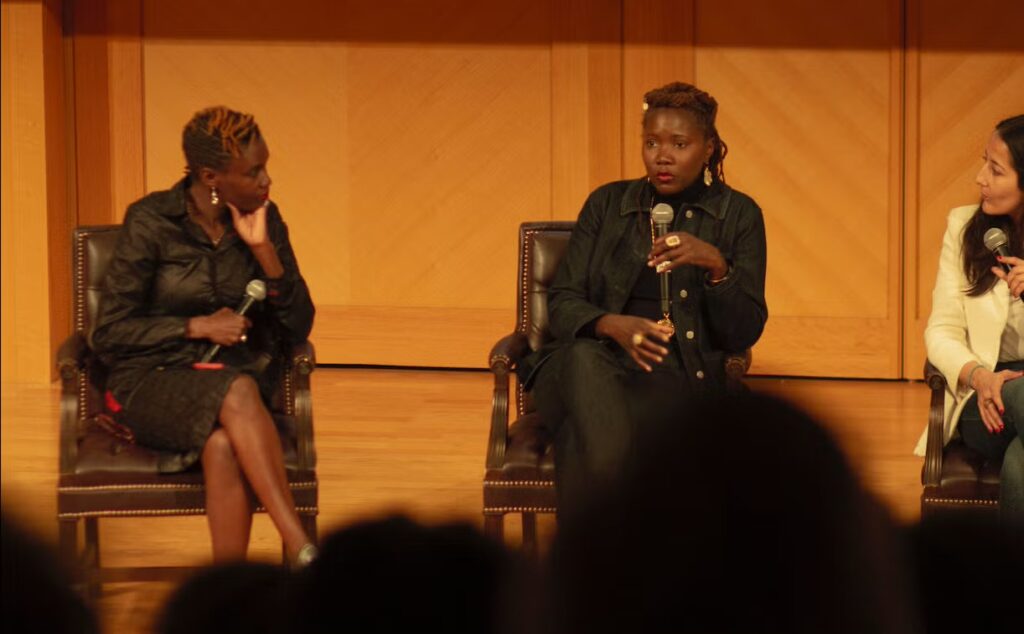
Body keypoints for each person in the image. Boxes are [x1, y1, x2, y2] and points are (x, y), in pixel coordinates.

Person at [519, 81, 768, 513]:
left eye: (679, 143)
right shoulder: (607, 204)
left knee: (584, 433)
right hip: (586, 365)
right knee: (583, 361)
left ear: (708, 148)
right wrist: (611, 325)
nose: (662, 156)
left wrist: (718, 269)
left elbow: (743, 331)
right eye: (651, 142)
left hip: (675, 377)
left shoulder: (739, 215)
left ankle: (597, 558)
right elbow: (561, 302)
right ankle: (631, 523)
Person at [91, 106, 318, 564]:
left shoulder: (266, 221)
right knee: (235, 392)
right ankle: (301, 546)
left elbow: (299, 327)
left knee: (222, 445)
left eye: (266, 166)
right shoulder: (151, 220)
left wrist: (264, 252)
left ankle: (228, 592)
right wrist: (195, 326)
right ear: (211, 176)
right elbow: (110, 332)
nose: (265, 180)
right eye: (253, 171)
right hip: (150, 380)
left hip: (238, 380)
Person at [918, 114, 1024, 525]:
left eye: (996, 171)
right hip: (987, 397)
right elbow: (941, 330)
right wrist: (980, 377)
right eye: (984, 163)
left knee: (1020, 461)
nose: (980, 178)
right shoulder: (963, 227)